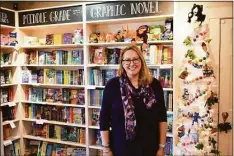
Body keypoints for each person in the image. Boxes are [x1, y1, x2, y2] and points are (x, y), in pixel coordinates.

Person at [99, 45, 167, 156]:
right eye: (127, 60)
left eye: (135, 59)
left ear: (141, 61)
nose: (132, 63)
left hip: (149, 147)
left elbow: (162, 117)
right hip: (121, 147)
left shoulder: (154, 84)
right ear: (122, 63)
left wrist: (161, 147)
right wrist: (106, 148)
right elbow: (104, 119)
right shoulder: (112, 85)